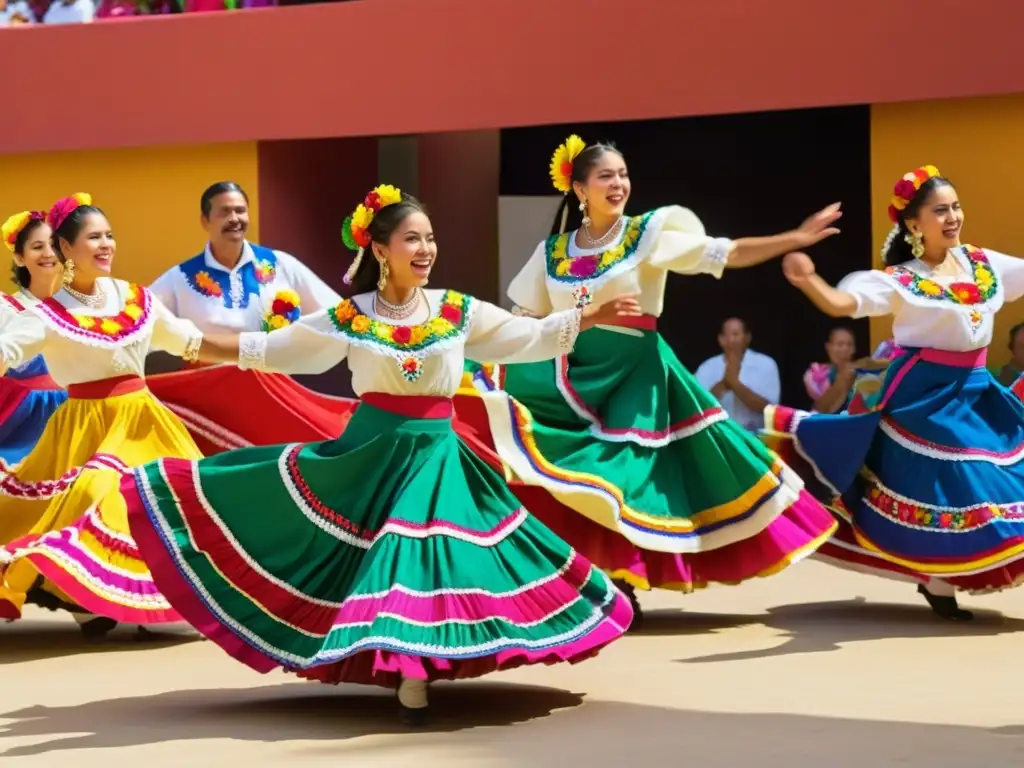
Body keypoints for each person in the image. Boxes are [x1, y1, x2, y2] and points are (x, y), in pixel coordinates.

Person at [120, 185, 636, 725]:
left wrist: (589, 317)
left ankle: (421, 663)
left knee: (429, 555)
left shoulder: (455, 310)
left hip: (437, 453)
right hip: (369, 452)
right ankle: (409, 670)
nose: (426, 248)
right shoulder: (351, 316)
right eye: (412, 238)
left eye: (430, 238)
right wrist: (189, 344)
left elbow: (526, 337)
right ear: (381, 250)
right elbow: (274, 348)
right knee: (384, 553)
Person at [458, 135, 841, 622]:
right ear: (580, 189)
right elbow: (525, 317)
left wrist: (795, 238)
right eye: (606, 176)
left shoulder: (646, 235)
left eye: (622, 174)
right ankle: (580, 574)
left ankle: (618, 579)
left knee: (623, 471)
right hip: (570, 369)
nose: (618, 183)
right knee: (539, 452)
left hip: (635, 371)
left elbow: (725, 253)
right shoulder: (553, 251)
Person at [764, 164, 1024, 621]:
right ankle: (939, 577)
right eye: (940, 210)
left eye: (956, 207)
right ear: (913, 223)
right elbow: (845, 303)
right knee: (963, 485)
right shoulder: (900, 278)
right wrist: (810, 281)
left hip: (978, 392)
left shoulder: (983, 264)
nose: (952, 217)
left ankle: (940, 578)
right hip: (927, 398)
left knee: (997, 480)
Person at [0, 193, 231, 637]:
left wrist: (256, 352)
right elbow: (7, 351)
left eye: (109, 235)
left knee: (177, 498)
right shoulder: (45, 315)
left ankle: (164, 598)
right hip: (85, 427)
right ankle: (84, 594)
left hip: (144, 422)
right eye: (93, 238)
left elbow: (190, 342)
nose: (106, 244)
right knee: (96, 492)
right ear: (66, 249)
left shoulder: (133, 297)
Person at [146, 182, 354, 454]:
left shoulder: (280, 265)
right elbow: (143, 324)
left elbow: (335, 315)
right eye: (224, 212)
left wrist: (296, 341)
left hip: (271, 397)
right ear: (204, 220)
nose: (235, 219)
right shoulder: (180, 278)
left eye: (240, 211)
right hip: (210, 406)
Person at [0, 211, 67, 464]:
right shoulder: (5, 308)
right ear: (19, 257)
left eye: (55, 245)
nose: (49, 253)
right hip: (21, 427)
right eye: (38, 246)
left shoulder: (78, 311)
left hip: (74, 419)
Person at [695, 317, 780, 430]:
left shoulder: (766, 364)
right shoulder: (706, 367)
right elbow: (697, 407)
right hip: (720, 436)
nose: (731, 340)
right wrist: (723, 385)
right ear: (720, 339)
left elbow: (769, 409)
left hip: (755, 437)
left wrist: (735, 384)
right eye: (726, 335)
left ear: (747, 337)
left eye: (736, 334)